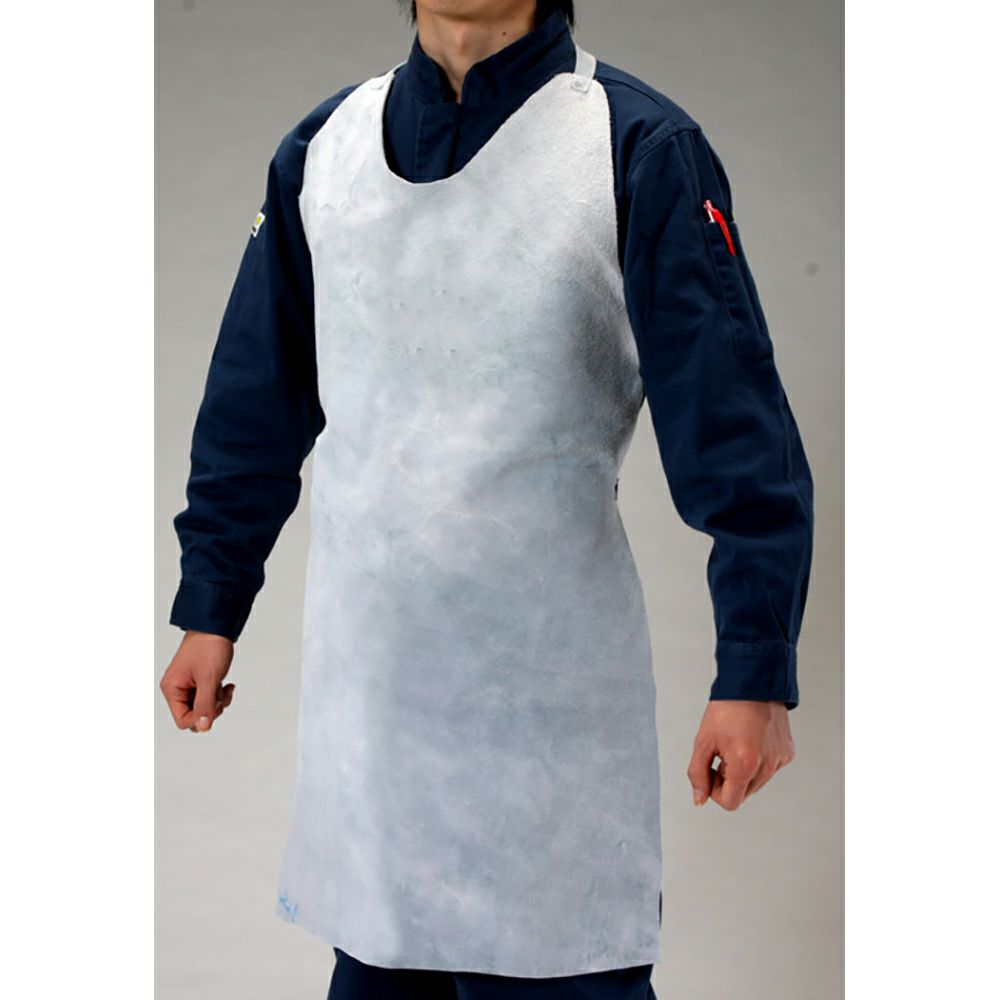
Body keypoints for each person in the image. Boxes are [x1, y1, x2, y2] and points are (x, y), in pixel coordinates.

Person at [160, 2, 814, 997]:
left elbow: (735, 431)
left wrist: (754, 673)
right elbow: (255, 400)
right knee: (377, 960)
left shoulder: (634, 147)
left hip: (548, 725)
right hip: (371, 722)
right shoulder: (324, 153)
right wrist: (212, 604)